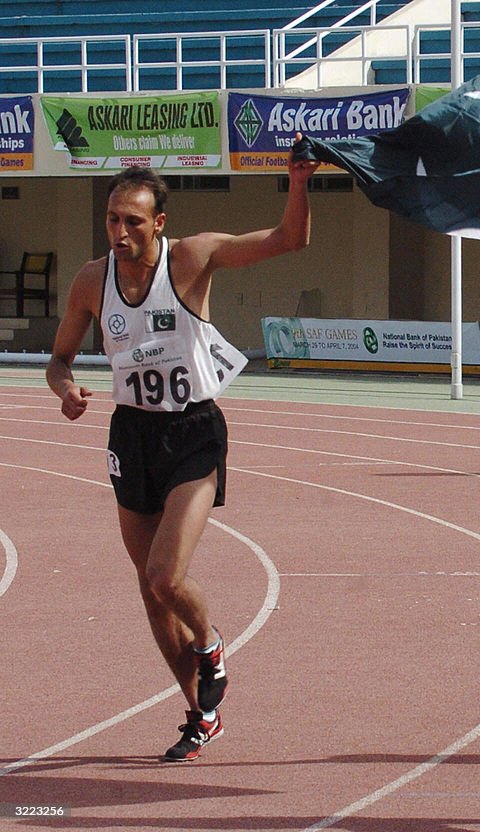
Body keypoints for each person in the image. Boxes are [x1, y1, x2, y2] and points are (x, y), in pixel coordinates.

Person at [46, 136, 319, 762]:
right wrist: (65, 388)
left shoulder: (192, 259)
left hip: (192, 430)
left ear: (158, 222)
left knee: (167, 575)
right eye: (112, 219)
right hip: (132, 435)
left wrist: (299, 184)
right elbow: (59, 358)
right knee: (150, 588)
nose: (120, 231)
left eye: (132, 221)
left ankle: (210, 642)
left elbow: (288, 241)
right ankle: (200, 714)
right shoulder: (94, 281)